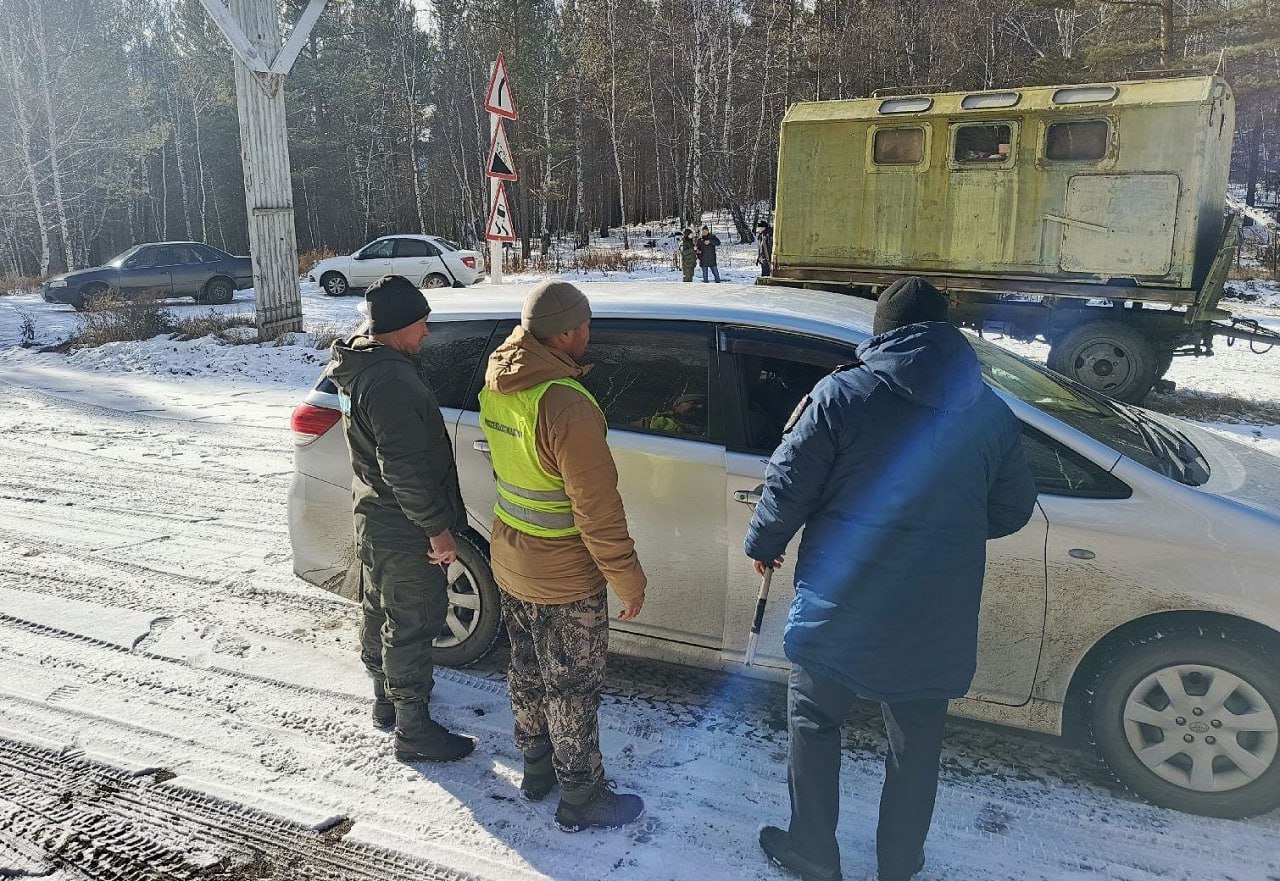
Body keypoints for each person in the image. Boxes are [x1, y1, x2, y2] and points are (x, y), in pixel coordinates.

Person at [744, 276, 1037, 881]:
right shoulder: (989, 411)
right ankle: (900, 864)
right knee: (916, 744)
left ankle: (813, 852)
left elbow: (788, 487)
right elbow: (1011, 510)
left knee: (815, 721)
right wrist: (942, 535)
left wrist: (764, 544)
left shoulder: (840, 397)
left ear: (883, 333)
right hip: (937, 613)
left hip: (841, 604)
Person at [478, 279, 648, 832]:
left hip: (510, 556)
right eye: (587, 326)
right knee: (571, 685)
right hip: (563, 574)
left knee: (525, 667)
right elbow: (596, 509)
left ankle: (536, 769)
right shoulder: (566, 405)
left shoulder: (500, 377)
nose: (589, 335)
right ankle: (582, 798)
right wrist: (627, 578)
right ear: (570, 332)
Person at [326, 275, 476, 764]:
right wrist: (437, 529)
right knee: (413, 620)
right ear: (396, 327)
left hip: (374, 514)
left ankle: (385, 701)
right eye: (420, 324)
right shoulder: (390, 379)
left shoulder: (361, 367)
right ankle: (413, 729)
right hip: (403, 523)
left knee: (379, 607)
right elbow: (404, 467)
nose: (427, 334)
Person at [634, 393, 707, 436]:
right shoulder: (653, 421)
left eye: (703, 406)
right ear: (676, 406)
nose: (700, 407)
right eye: (694, 403)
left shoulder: (709, 429)